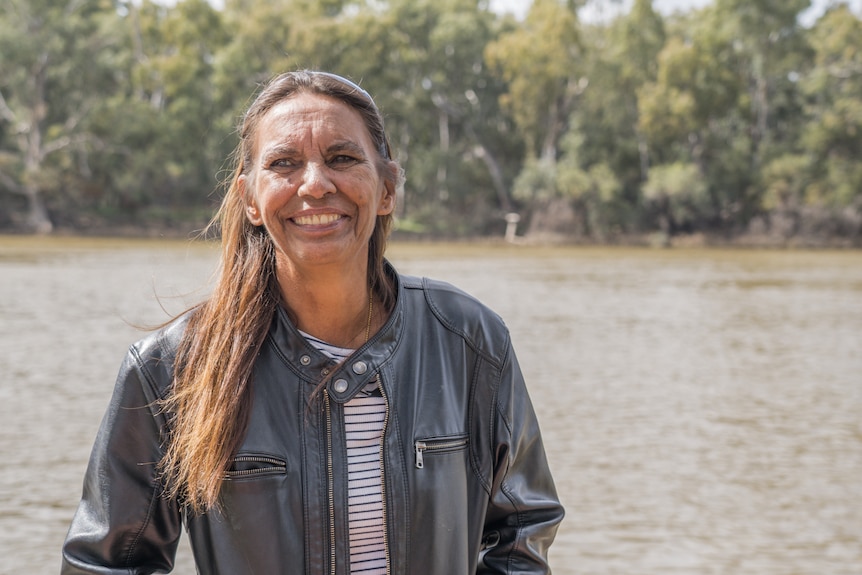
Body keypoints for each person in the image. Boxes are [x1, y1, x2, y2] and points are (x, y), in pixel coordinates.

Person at [61, 70, 564, 574]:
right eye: (283, 163)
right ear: (251, 199)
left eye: (342, 158)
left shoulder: (469, 341)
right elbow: (105, 563)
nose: (316, 184)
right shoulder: (171, 369)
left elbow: (522, 530)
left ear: (387, 188)